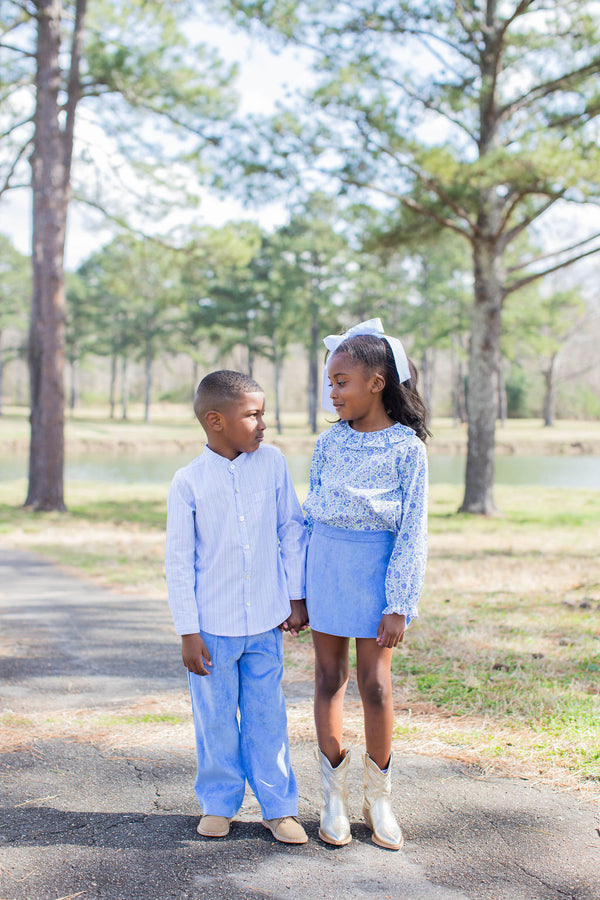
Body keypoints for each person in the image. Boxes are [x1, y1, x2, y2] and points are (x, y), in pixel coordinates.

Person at [165, 370, 309, 845]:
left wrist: (295, 596)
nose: (263, 423)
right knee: (216, 718)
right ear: (216, 420)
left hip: (266, 622)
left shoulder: (272, 464)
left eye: (263, 412)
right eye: (252, 414)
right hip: (213, 629)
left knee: (268, 716)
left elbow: (290, 529)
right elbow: (180, 562)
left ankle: (279, 807)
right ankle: (219, 803)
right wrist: (188, 630)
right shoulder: (188, 482)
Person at [304, 318, 429, 851]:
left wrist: (399, 603)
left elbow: (412, 531)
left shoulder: (408, 449)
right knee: (328, 677)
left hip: (377, 575)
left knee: (375, 685)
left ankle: (379, 797)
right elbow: (309, 518)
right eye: (330, 383)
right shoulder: (329, 443)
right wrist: (296, 591)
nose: (332, 393)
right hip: (326, 568)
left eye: (341, 382)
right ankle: (333, 793)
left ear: (377, 383)